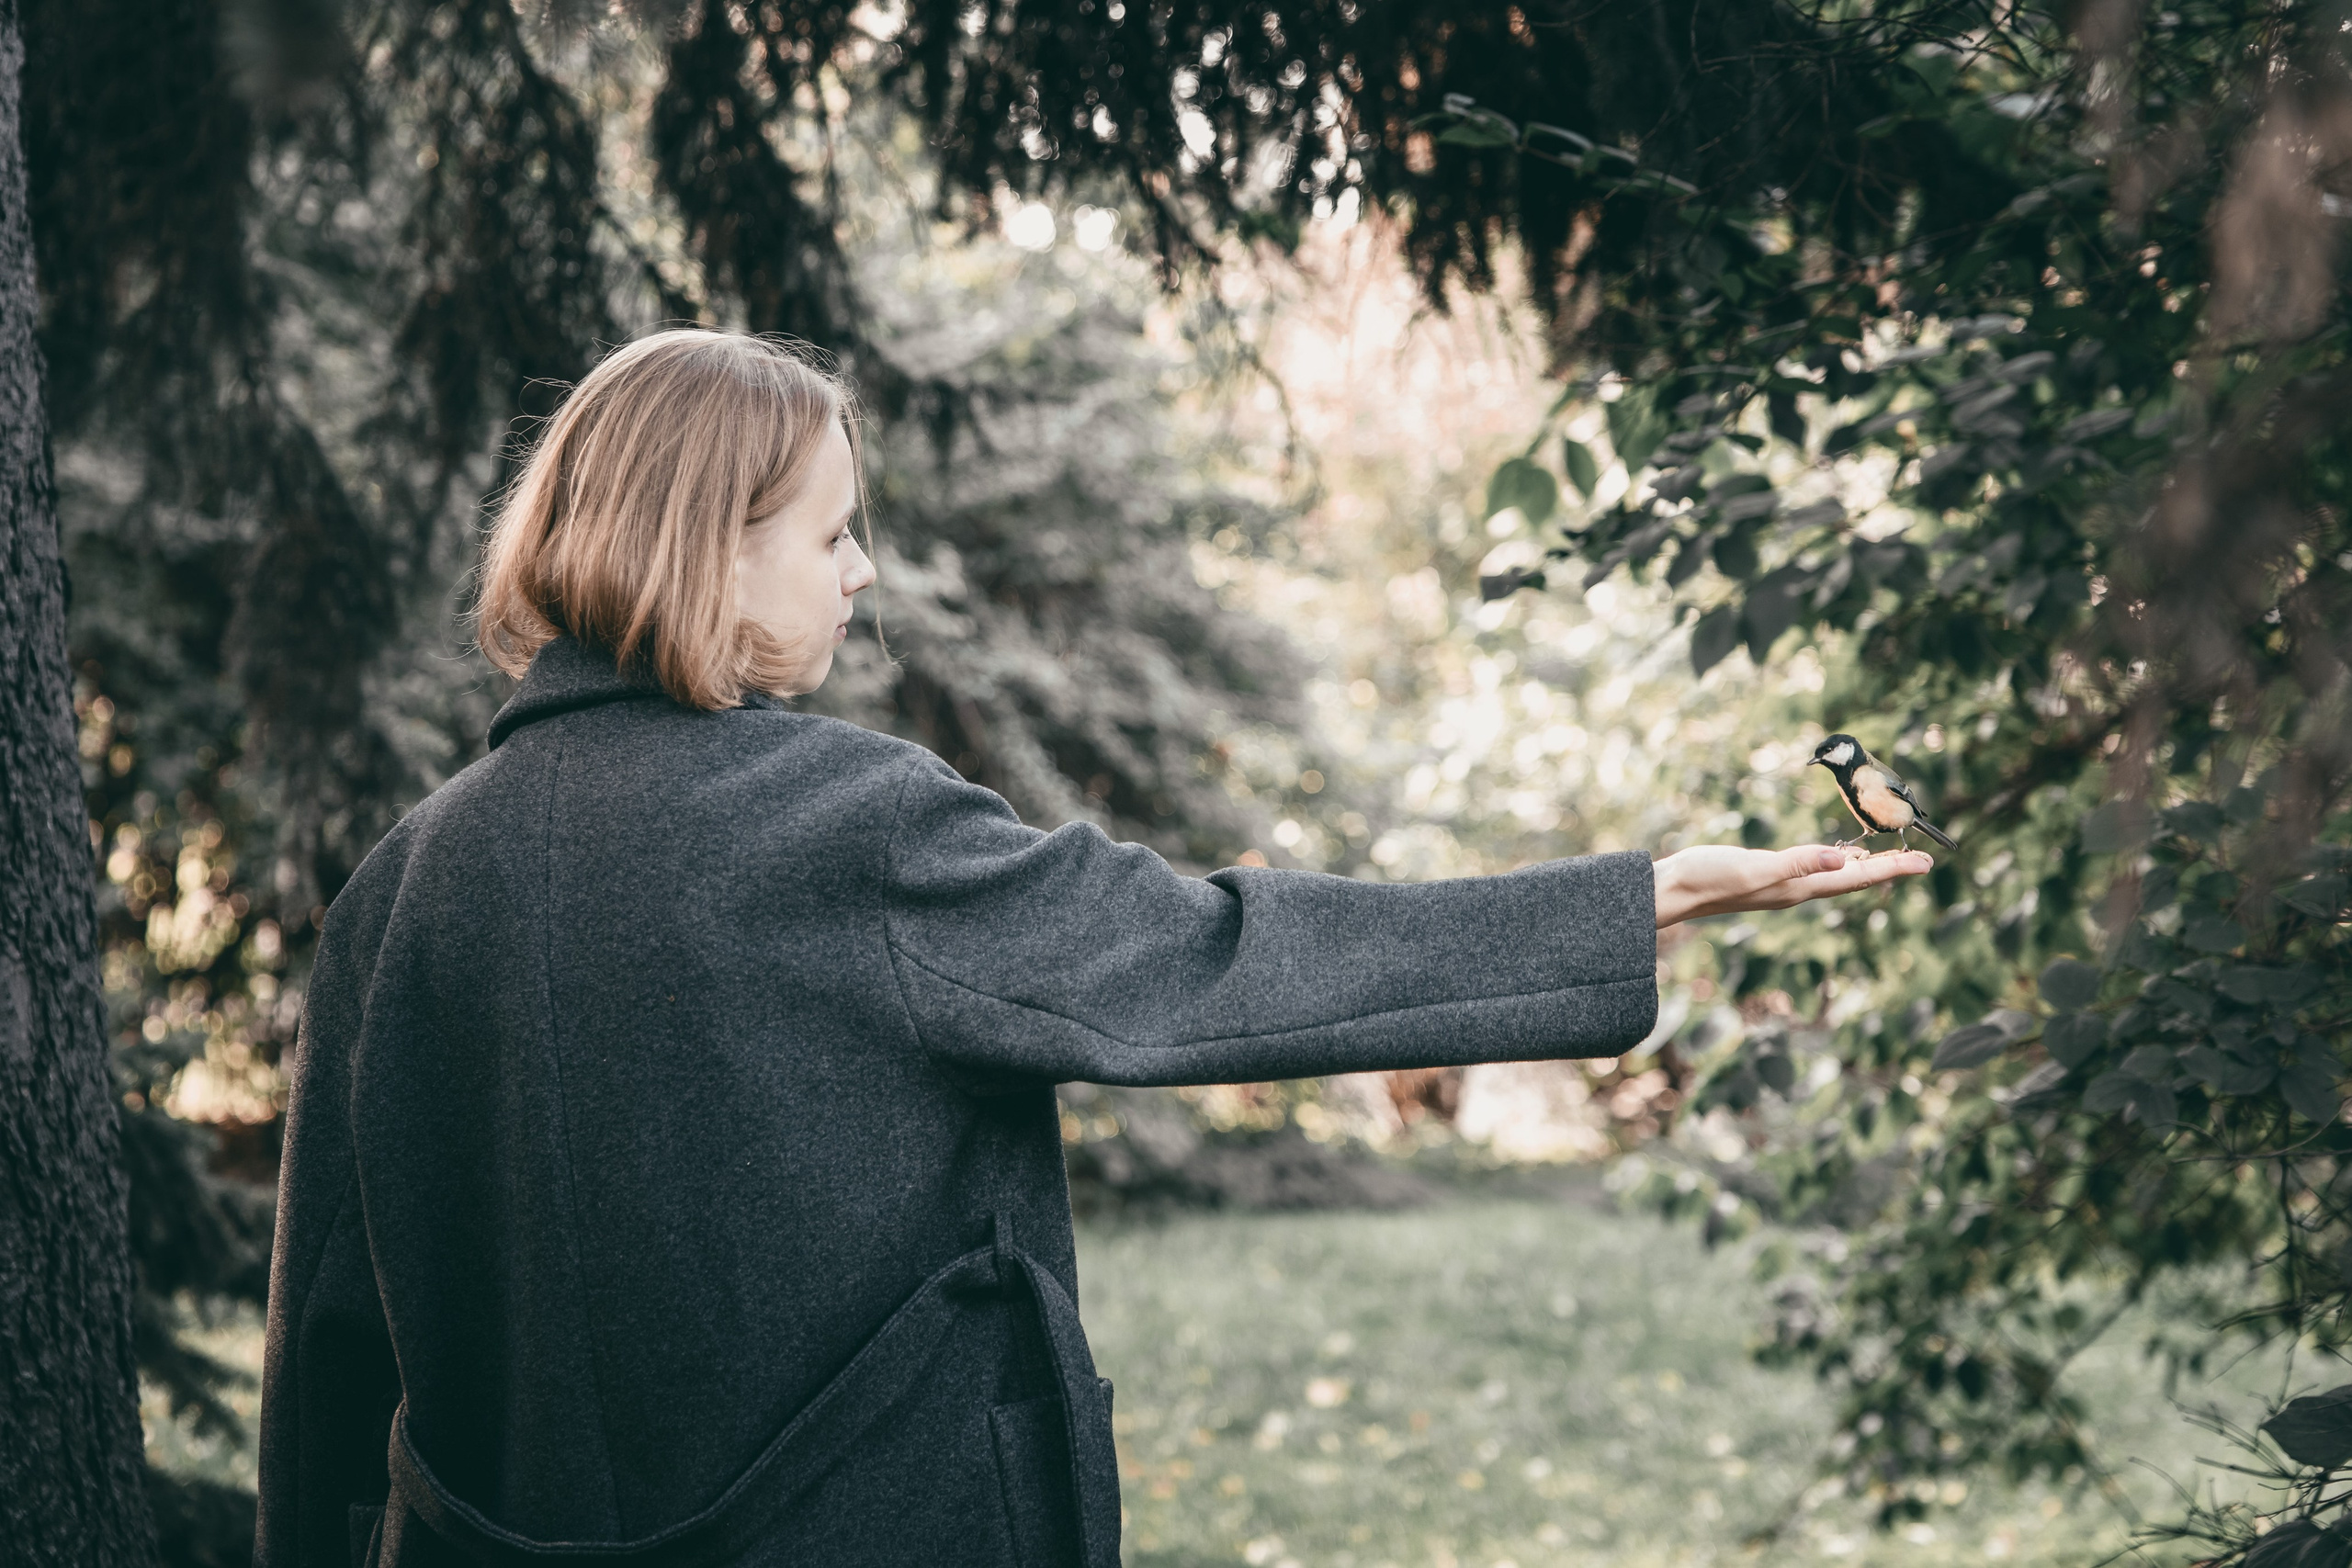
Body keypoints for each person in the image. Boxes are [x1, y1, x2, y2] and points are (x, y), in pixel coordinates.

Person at [254, 329, 1929, 1568]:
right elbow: (1213, 961)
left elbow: (324, 1373)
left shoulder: (402, 889)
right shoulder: (854, 828)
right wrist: (1639, 896)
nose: (864, 574)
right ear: (710, 544)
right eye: (832, 532)